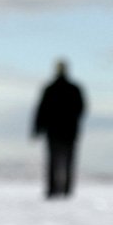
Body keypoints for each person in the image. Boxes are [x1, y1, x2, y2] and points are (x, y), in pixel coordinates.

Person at [32, 59, 86, 199]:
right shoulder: (72, 88)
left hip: (56, 131)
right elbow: (81, 109)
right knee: (66, 161)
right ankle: (64, 190)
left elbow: (41, 110)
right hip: (67, 131)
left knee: (55, 161)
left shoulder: (52, 88)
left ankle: (54, 189)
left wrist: (37, 128)